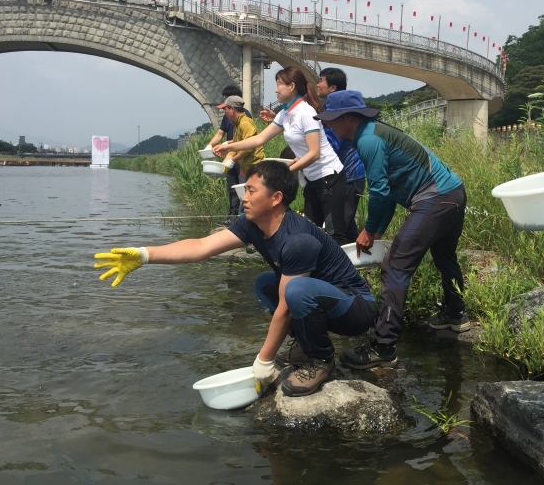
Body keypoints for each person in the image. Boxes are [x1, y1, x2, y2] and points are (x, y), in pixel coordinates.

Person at [93, 161, 377, 397]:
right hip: (322, 298)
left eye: (252, 191)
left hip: (354, 307)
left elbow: (286, 307)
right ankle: (305, 345)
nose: (244, 197)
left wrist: (263, 361)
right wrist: (144, 255)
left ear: (276, 198)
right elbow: (201, 248)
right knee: (265, 283)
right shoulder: (252, 224)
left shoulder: (298, 240)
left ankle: (322, 360)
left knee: (295, 291)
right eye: (245, 190)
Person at [314, 90, 470, 370]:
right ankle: (455, 312)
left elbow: (380, 193)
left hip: (434, 200)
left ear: (349, 117)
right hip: (453, 194)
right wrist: (374, 230)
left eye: (332, 120)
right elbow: (385, 193)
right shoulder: (373, 132)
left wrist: (369, 229)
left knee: (395, 266)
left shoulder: (368, 140)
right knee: (444, 255)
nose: (328, 125)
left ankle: (383, 347)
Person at [214, 67, 349, 245]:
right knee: (310, 232)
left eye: (279, 84)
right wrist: (228, 148)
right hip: (311, 179)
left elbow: (314, 153)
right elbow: (259, 139)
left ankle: (341, 270)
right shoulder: (286, 113)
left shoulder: (306, 112)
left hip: (329, 177)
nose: (276, 89)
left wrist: (285, 171)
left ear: (291, 86)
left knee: (334, 234)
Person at [317, 68, 366, 243]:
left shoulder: (338, 111)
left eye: (321, 80)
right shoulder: (328, 109)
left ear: (332, 87)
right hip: (342, 175)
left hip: (350, 175)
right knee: (346, 222)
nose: (318, 84)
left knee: (339, 224)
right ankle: (356, 260)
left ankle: (343, 264)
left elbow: (332, 145)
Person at [205, 86, 256, 224]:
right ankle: (234, 219)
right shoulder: (236, 122)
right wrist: (221, 154)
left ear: (232, 108)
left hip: (249, 164)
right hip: (239, 162)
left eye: (225, 107)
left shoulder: (245, 122)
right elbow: (235, 143)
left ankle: (244, 223)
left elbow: (248, 146)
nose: (223, 111)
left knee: (245, 191)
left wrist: (232, 159)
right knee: (234, 188)